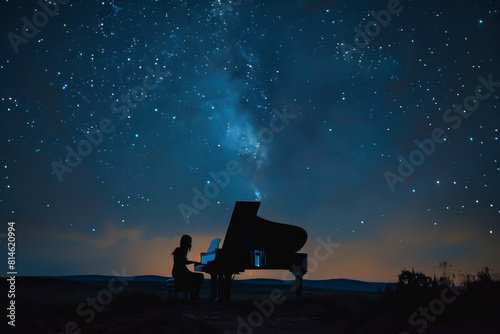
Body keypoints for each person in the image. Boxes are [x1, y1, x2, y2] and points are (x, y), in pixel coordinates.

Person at [172, 235, 204, 300]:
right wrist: (196, 262)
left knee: (197, 277)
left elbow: (184, 263)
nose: (190, 243)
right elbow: (185, 262)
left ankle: (194, 296)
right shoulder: (179, 250)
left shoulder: (180, 250)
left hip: (179, 272)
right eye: (189, 241)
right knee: (200, 276)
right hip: (180, 273)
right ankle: (195, 296)